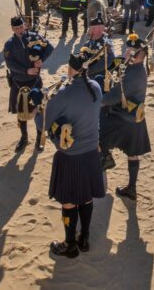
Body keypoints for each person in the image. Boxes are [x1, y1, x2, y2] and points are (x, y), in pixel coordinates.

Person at [37, 50, 105, 258]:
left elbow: (42, 123)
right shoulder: (95, 88)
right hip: (92, 152)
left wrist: (40, 105)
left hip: (71, 156)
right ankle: (84, 237)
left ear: (71, 69)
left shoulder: (64, 95)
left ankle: (69, 244)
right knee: (85, 197)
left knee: (69, 200)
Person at [99, 35, 152, 200]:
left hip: (125, 118)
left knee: (99, 134)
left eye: (129, 51)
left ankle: (106, 158)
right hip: (135, 117)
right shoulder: (136, 67)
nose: (125, 52)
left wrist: (96, 99)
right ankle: (132, 188)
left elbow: (110, 98)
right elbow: (119, 67)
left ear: (137, 56)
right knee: (132, 152)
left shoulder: (134, 76)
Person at [4, 15, 54, 152]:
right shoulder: (9, 44)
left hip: (35, 82)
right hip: (19, 83)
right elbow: (10, 64)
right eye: (16, 28)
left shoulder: (34, 37)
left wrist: (41, 60)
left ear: (25, 25)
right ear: (12, 29)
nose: (20, 30)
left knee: (39, 111)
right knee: (21, 113)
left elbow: (49, 47)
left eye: (21, 27)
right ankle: (24, 138)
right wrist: (27, 70)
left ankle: (39, 138)